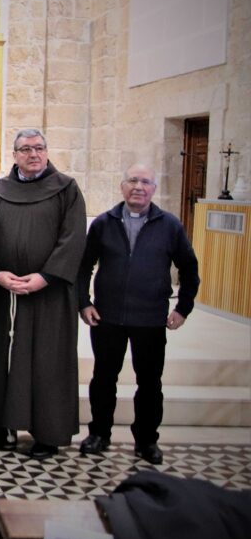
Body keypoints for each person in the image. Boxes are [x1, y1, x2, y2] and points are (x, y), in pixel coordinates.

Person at [76, 164, 200, 465]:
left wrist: (183, 307)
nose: (138, 187)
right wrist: (84, 302)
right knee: (104, 377)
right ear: (122, 186)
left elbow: (189, 268)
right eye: (132, 180)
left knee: (150, 382)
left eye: (145, 182)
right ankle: (99, 433)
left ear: (154, 189)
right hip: (107, 316)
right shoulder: (104, 223)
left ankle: (146, 440)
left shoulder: (169, 225)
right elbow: (84, 266)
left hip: (150, 318)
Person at [0, 128, 87, 459]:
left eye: (39, 148)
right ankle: (2, 427)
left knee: (47, 361)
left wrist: (46, 276)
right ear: (14, 155)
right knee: (6, 359)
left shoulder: (66, 189)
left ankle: (47, 433)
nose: (33, 154)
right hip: (8, 290)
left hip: (50, 293)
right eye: (25, 149)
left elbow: (73, 238)